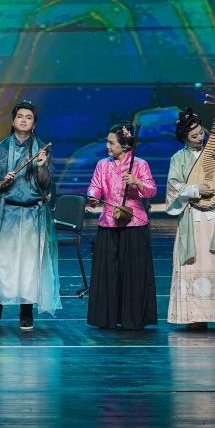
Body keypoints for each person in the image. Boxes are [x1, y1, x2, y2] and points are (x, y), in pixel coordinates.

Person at [0, 99, 60, 330]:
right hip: (6, 213)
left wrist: (41, 166)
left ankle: (26, 313)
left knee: (29, 265)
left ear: (34, 123)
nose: (24, 120)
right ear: (13, 120)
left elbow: (46, 184)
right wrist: (1, 182)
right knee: (1, 263)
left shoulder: (42, 149)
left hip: (33, 214)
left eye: (29, 117)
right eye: (20, 116)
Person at [166, 108, 215, 331]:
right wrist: (195, 189)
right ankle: (195, 315)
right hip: (193, 220)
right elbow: (173, 187)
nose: (200, 138)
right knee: (194, 266)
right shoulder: (178, 158)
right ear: (184, 137)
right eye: (194, 135)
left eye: (201, 133)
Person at [85, 122, 158, 330]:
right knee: (108, 272)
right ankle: (107, 317)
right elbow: (95, 186)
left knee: (133, 273)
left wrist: (137, 182)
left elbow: (152, 190)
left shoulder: (140, 164)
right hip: (109, 222)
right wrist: (92, 197)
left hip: (134, 223)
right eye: (107, 142)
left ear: (124, 145)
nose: (107, 146)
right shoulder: (103, 165)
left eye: (111, 143)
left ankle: (133, 318)